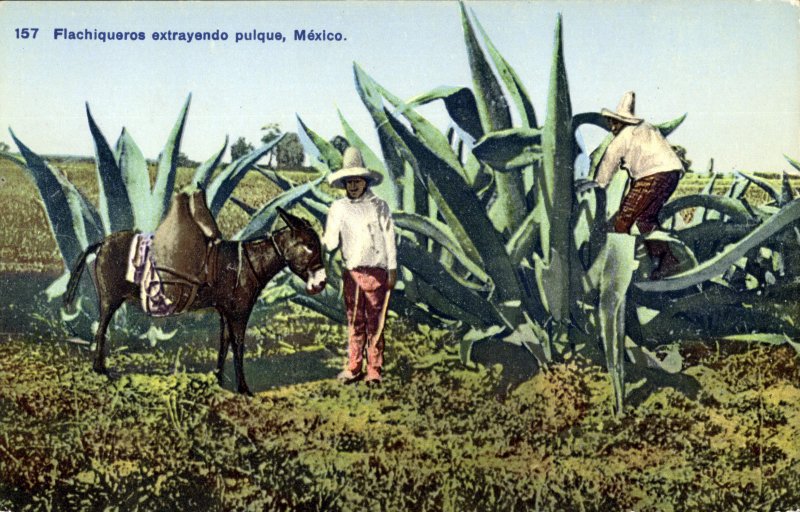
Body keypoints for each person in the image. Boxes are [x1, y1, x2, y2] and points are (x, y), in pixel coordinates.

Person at [578, 91, 685, 280]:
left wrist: (598, 183)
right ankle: (668, 261)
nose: (612, 126)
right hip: (672, 174)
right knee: (645, 219)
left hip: (652, 177)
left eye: (614, 122)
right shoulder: (648, 128)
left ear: (623, 121)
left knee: (623, 221)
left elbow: (609, 161)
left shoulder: (623, 137)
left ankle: (617, 272)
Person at [323, 147, 397, 385]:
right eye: (349, 181)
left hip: (376, 270)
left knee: (376, 321)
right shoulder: (338, 208)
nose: (353, 186)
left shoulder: (379, 206)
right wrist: (321, 244)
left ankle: (374, 369)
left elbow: (389, 237)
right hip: (352, 272)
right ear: (344, 183)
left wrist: (392, 268)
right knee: (355, 321)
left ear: (365, 181)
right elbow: (331, 239)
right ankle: (354, 367)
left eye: (357, 181)